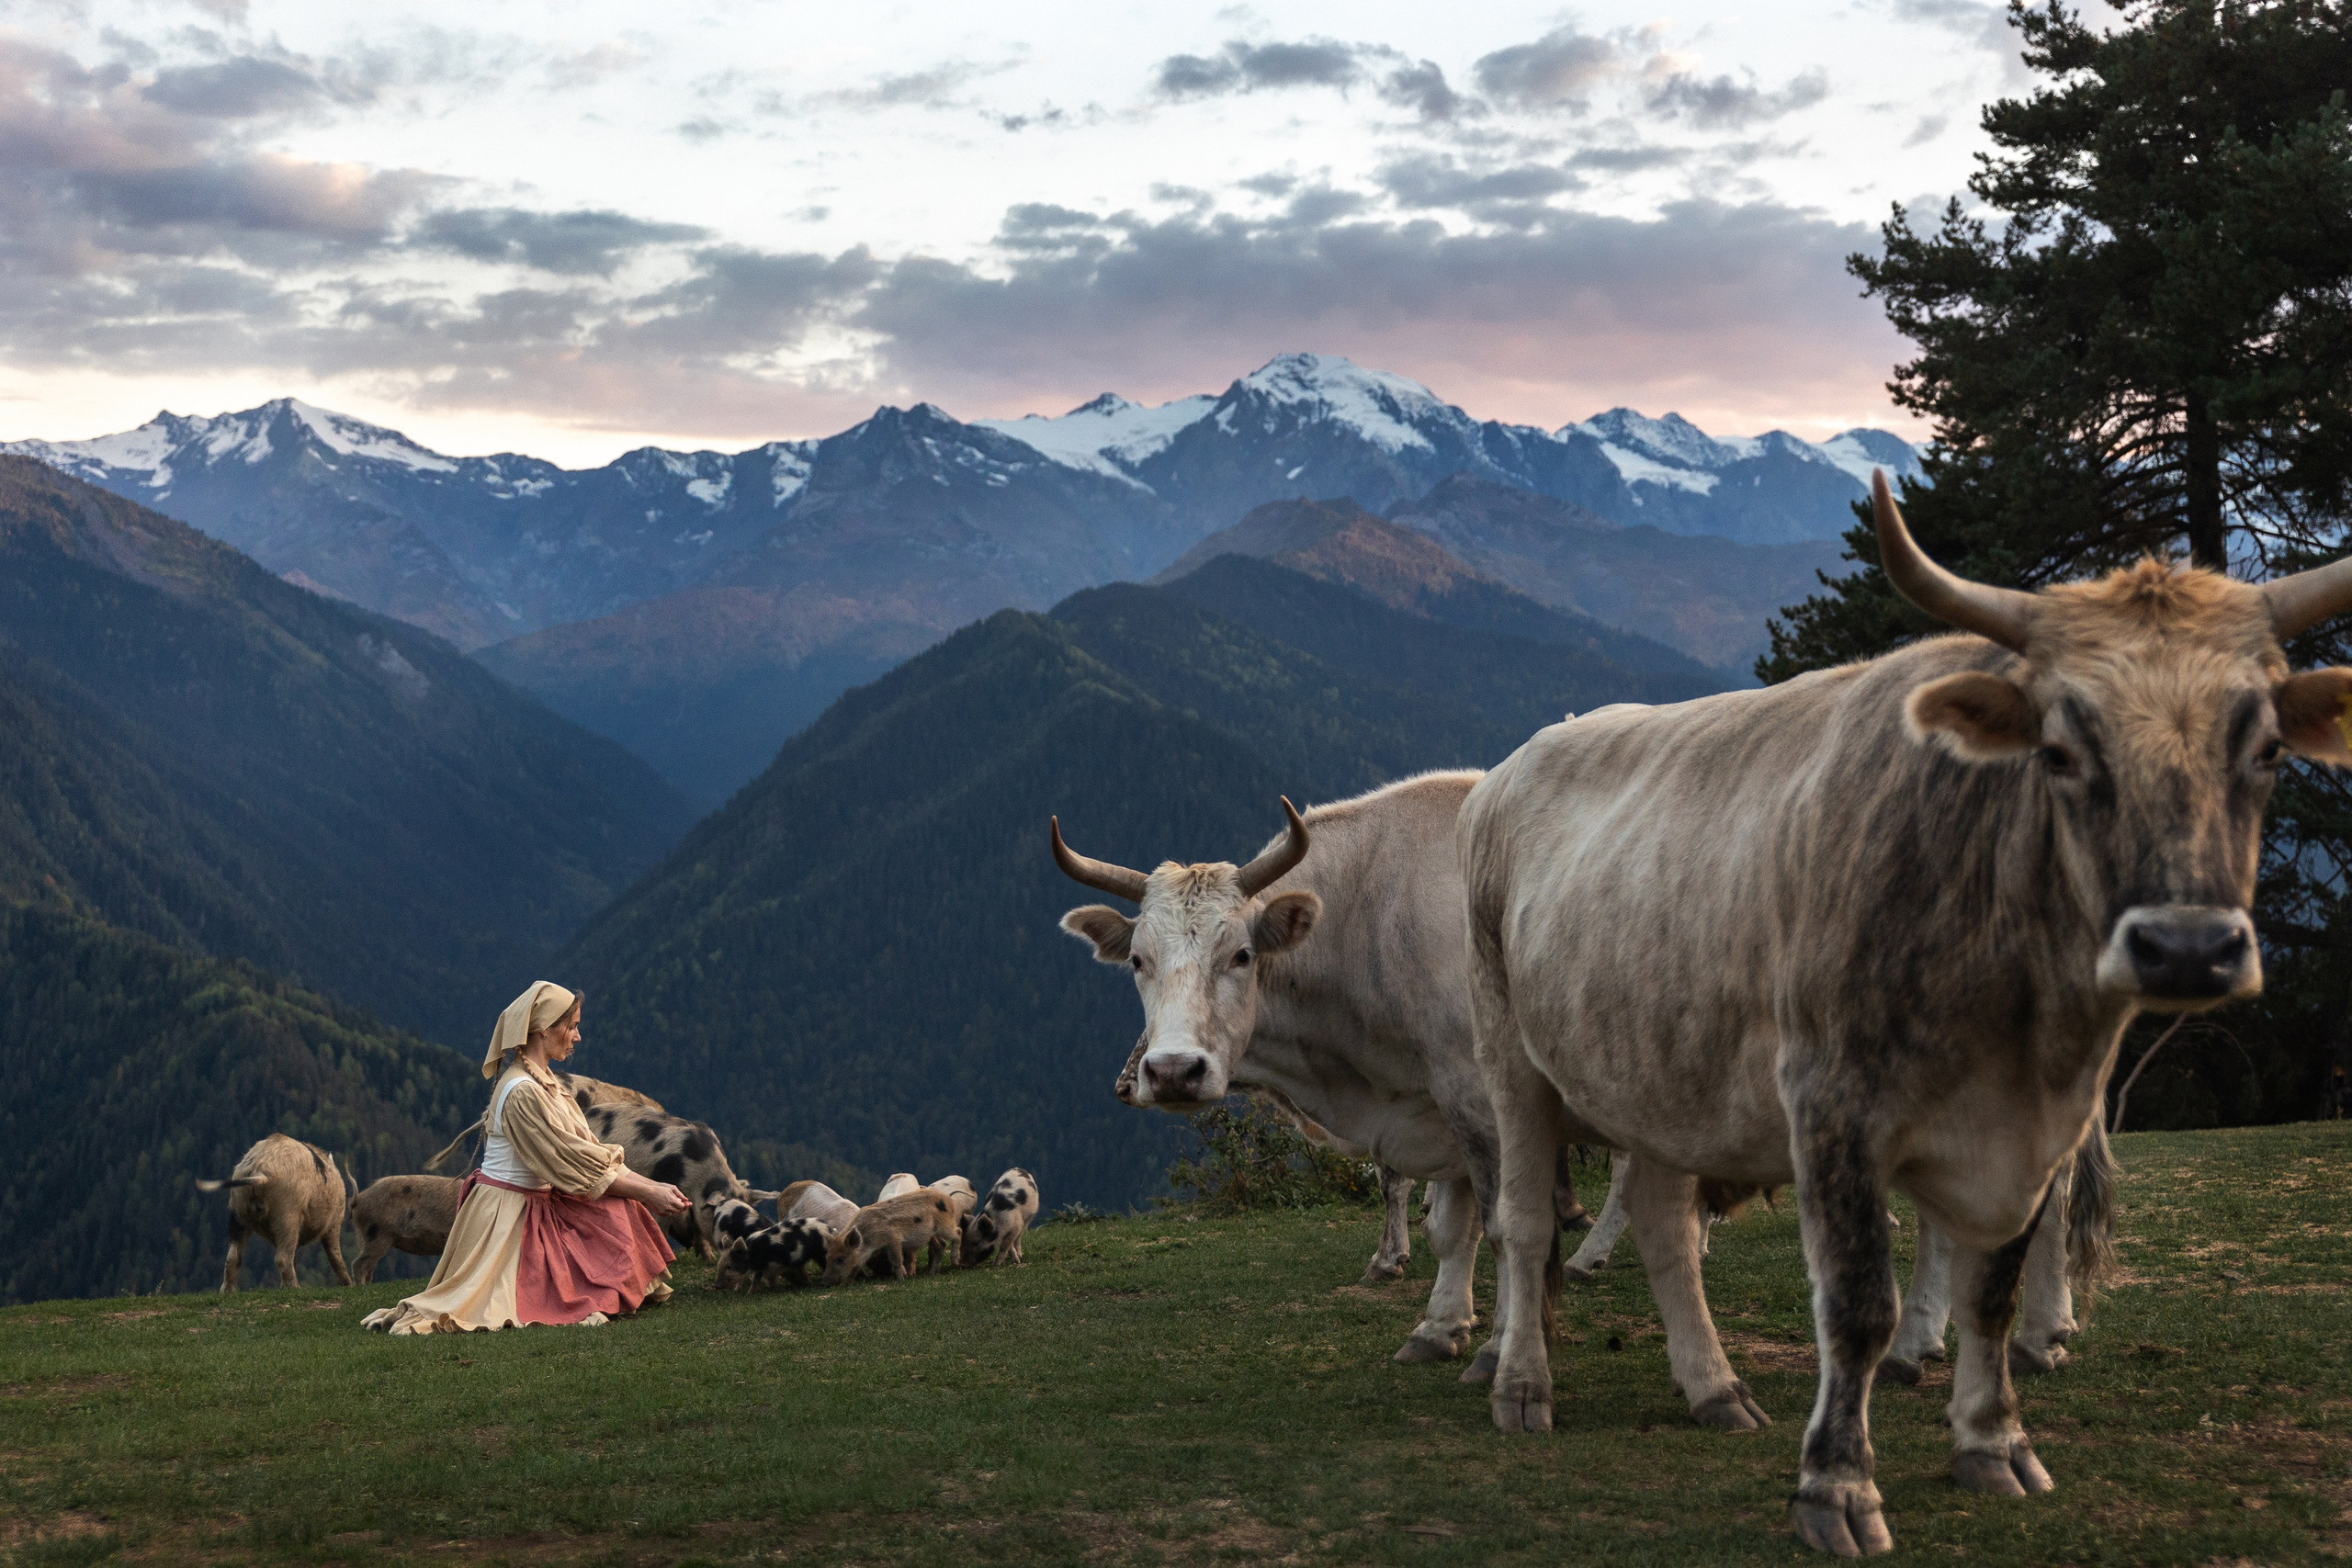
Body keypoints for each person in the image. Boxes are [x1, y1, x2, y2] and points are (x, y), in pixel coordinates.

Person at [361, 982, 688, 1335]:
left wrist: (652, 1187)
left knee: (620, 1209)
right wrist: (647, 1193)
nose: (577, 1036)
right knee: (502, 1299)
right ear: (545, 1028)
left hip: (535, 1202)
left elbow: (593, 1153)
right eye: (572, 1026)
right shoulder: (522, 1092)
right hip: (508, 1212)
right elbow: (571, 1165)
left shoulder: (546, 1083)